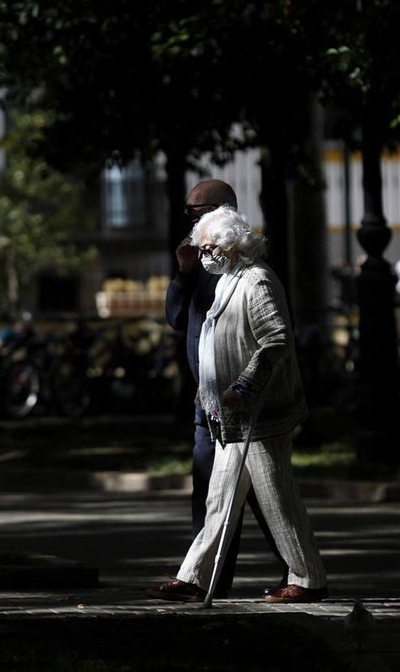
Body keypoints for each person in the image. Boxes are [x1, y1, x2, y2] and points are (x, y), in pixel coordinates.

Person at [147, 207, 328, 604]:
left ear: (229, 246)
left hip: (260, 414)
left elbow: (276, 340)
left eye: (208, 248)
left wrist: (245, 386)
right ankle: (194, 577)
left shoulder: (257, 280)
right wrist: (209, 389)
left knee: (277, 497)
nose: (204, 256)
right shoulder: (230, 278)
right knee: (220, 500)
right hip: (233, 417)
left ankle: (308, 578)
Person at [163, 178, 288, 599]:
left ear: (224, 213)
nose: (189, 221)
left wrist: (246, 386)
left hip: (243, 402)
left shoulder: (244, 270)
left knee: (264, 495)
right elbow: (176, 318)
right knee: (213, 493)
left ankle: (299, 573)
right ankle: (207, 581)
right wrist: (183, 273)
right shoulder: (200, 262)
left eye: (196, 212)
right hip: (209, 404)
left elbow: (273, 339)